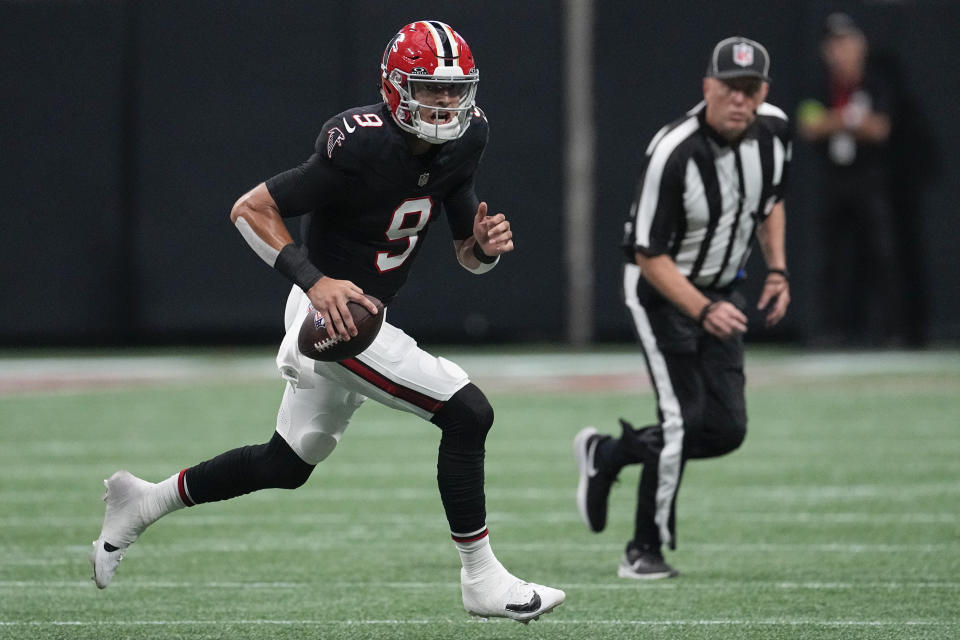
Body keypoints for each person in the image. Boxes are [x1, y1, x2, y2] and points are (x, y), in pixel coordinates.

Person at [90, 20, 565, 623]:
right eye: (430, 88)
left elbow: (467, 255)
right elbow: (250, 209)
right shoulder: (360, 143)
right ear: (396, 89)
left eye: (454, 90)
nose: (445, 104)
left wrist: (484, 248)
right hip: (333, 315)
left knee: (287, 464)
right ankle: (482, 580)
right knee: (468, 413)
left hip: (362, 316)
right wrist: (314, 281)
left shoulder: (469, 139)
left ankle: (143, 501)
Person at [574, 36, 791, 579]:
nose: (739, 100)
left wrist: (779, 268)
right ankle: (643, 550)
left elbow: (771, 202)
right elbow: (648, 254)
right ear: (707, 87)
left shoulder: (775, 132)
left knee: (725, 429)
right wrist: (702, 309)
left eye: (750, 89)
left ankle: (611, 454)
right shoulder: (675, 150)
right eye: (729, 88)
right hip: (660, 290)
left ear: (763, 92)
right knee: (681, 420)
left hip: (721, 290)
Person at [796, 12, 901, 346]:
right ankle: (828, 331)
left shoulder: (876, 84)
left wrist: (838, 122)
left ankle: (891, 331)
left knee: (881, 253)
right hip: (832, 180)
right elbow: (809, 126)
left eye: (847, 43)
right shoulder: (818, 86)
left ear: (861, 46)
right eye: (835, 44)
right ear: (826, 50)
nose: (841, 51)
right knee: (830, 257)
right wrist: (846, 119)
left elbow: (880, 129)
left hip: (870, 180)